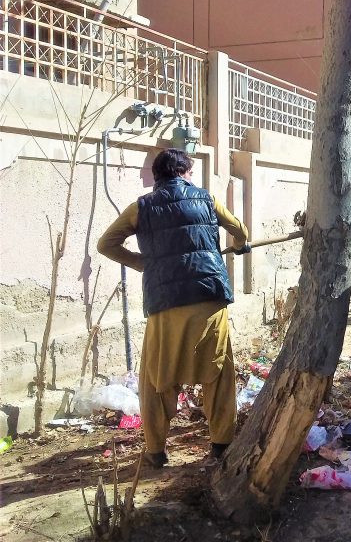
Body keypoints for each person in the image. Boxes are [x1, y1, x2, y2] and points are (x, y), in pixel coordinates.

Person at [97, 149, 249, 468]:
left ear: (158, 177)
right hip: (208, 297)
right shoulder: (206, 199)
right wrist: (238, 246)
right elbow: (240, 231)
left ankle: (155, 451)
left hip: (165, 303)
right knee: (217, 371)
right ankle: (221, 445)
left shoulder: (141, 207)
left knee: (157, 377)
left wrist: (143, 264)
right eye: (190, 172)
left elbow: (106, 244)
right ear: (184, 172)